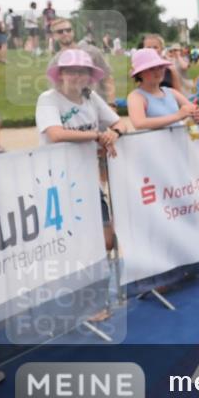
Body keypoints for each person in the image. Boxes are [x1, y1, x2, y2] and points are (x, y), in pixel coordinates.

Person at [37, 49, 128, 251]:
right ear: (60, 74)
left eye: (82, 71)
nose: (77, 76)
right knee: (67, 241)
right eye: (71, 71)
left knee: (107, 240)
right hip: (57, 181)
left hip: (86, 177)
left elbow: (119, 123)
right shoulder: (48, 98)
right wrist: (97, 135)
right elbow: (56, 134)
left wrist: (114, 134)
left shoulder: (91, 97)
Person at [127, 49, 199, 130]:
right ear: (140, 74)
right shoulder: (136, 96)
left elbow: (196, 109)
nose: (158, 71)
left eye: (160, 67)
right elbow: (139, 123)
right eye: (151, 69)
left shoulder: (171, 92)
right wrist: (178, 116)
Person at [48, 17, 115, 104]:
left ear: (73, 31)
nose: (65, 33)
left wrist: (112, 104)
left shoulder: (92, 51)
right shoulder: (55, 62)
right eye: (60, 31)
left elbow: (108, 78)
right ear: (54, 36)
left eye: (68, 30)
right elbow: (58, 91)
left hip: (99, 106)